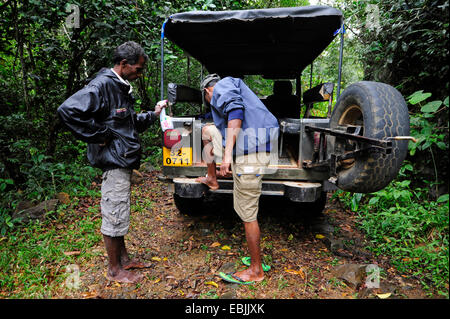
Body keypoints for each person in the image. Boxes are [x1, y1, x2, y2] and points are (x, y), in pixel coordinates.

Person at [57, 41, 166, 284]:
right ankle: (115, 270)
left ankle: (124, 259)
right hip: (113, 161)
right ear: (124, 64)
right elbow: (67, 110)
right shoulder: (103, 85)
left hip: (122, 159)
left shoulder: (120, 87)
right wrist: (100, 136)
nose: (140, 74)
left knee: (120, 211)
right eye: (138, 69)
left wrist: (154, 114)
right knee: (114, 213)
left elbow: (127, 123)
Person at [196, 74, 279, 284]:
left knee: (247, 212)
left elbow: (235, 112)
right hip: (254, 144)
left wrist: (226, 155)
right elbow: (224, 120)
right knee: (206, 130)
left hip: (250, 153)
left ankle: (256, 270)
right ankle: (212, 178)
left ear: (208, 92)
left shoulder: (222, 86)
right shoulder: (233, 85)